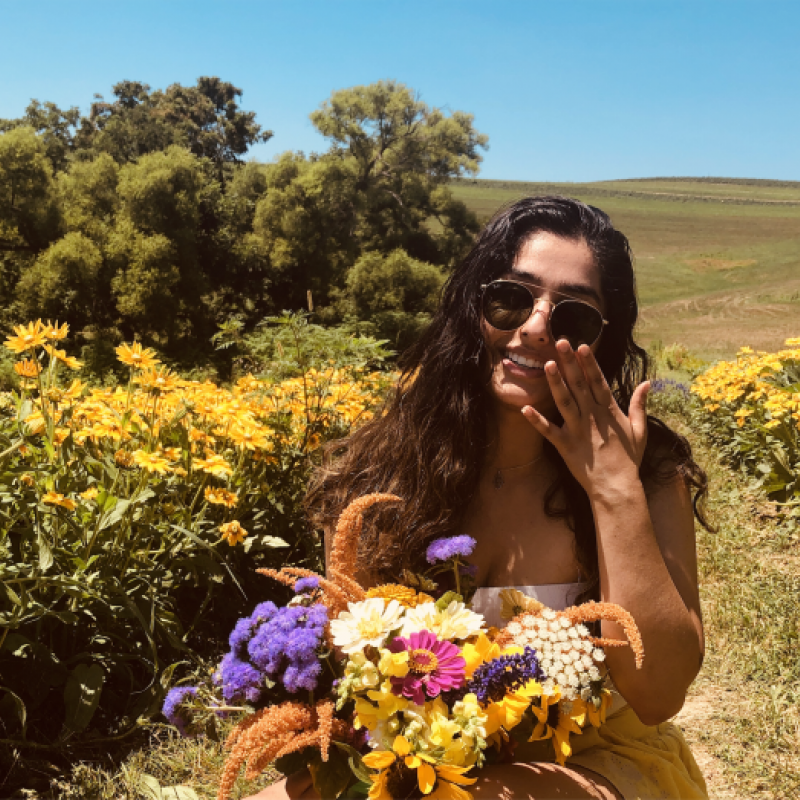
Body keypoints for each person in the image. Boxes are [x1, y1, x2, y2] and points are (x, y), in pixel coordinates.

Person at [246, 197, 710, 799]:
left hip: (596, 758)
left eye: (573, 317)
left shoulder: (647, 472)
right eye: (511, 298)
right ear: (472, 307)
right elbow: (349, 673)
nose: (536, 327)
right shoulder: (379, 471)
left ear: (604, 340)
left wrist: (613, 490)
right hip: (415, 762)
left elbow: (660, 694)